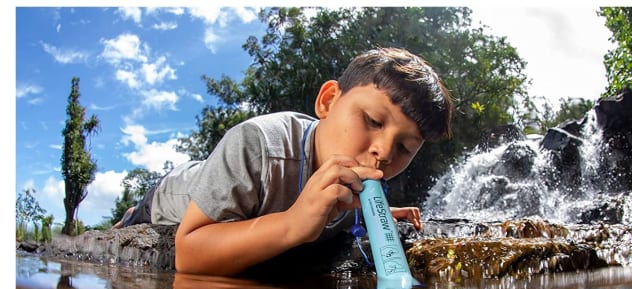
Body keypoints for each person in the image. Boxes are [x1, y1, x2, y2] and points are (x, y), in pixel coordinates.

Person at [114, 47, 453, 276]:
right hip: (175, 195)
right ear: (329, 101)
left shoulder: (359, 173)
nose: (384, 151)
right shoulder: (258, 145)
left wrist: (375, 212)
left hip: (243, 191)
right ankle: (129, 215)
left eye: (405, 147)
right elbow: (188, 255)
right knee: (134, 224)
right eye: (373, 121)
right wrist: (292, 224)